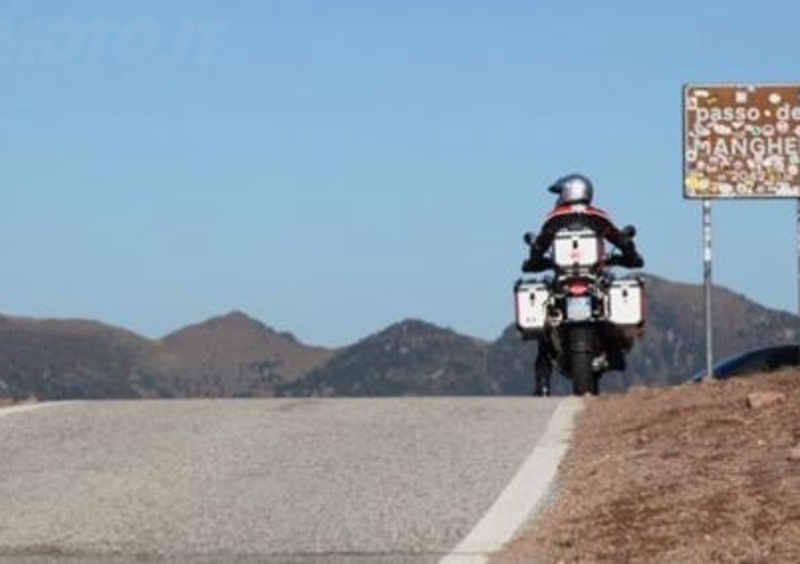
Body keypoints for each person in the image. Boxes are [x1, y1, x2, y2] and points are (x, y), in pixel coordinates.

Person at [521, 173, 644, 396]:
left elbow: (539, 246)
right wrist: (631, 256)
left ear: (568, 192)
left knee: (545, 328)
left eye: (559, 193)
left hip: (562, 281)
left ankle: (542, 385)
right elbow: (620, 239)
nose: (557, 198)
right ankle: (614, 352)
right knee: (611, 308)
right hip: (593, 279)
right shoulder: (598, 217)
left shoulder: (553, 219)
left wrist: (533, 261)